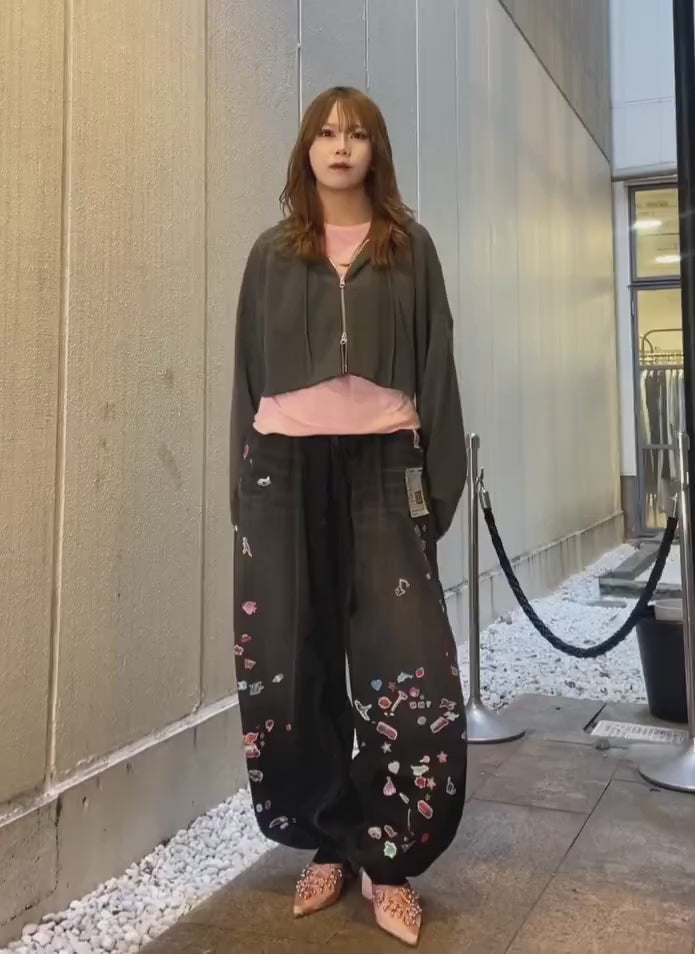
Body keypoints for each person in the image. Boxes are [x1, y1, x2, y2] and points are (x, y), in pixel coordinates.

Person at [229, 85, 467, 947]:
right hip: (284, 471)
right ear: (306, 148)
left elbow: (437, 366)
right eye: (326, 133)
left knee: (409, 665)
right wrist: (243, 494)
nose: (339, 146)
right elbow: (245, 378)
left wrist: (437, 485)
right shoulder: (271, 255)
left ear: (376, 150)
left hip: (384, 468)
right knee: (291, 665)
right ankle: (327, 841)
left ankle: (390, 860)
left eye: (356, 134)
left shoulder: (410, 248)